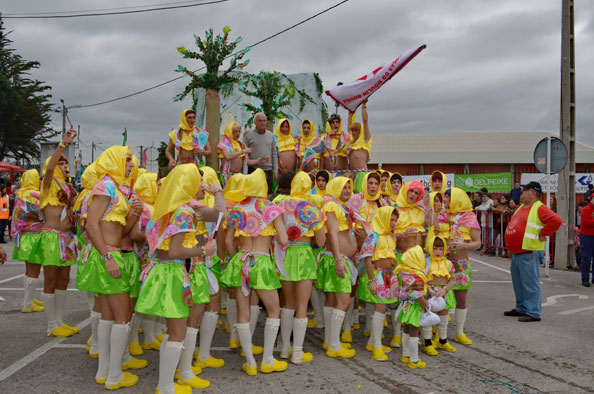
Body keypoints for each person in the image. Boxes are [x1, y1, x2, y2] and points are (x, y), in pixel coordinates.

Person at [136, 164, 216, 393]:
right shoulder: (183, 211)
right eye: (196, 180)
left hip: (162, 270)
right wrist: (204, 251)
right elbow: (175, 251)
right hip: (172, 271)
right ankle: (167, 386)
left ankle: (167, 383)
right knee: (178, 333)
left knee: (173, 332)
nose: (201, 185)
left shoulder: (165, 207)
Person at [76, 146, 143, 389]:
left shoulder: (114, 188)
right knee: (123, 316)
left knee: (108, 315)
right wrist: (107, 258)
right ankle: (115, 375)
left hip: (111, 254)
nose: (129, 165)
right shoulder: (106, 186)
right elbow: (91, 225)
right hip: (108, 257)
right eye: (126, 160)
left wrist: (134, 213)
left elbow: (120, 231)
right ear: (114, 160)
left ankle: (104, 372)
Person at [220, 169, 289, 376]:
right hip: (262, 261)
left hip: (241, 260)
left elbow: (227, 241)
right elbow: (284, 240)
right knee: (274, 310)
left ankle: (250, 362)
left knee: (243, 312)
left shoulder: (238, 209)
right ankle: (267, 360)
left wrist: (237, 256)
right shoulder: (271, 208)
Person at [30, 127, 78, 338]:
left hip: (67, 238)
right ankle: (51, 324)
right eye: (61, 163)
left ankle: (59, 320)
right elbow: (49, 168)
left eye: (66, 163)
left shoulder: (67, 187)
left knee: (64, 279)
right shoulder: (47, 183)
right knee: (50, 279)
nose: (64, 166)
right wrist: (63, 144)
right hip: (52, 237)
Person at [276, 171, 325, 365]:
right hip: (304, 255)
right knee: (302, 306)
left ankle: (284, 349)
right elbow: (321, 241)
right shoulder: (313, 208)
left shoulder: (281, 205)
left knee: (287, 303)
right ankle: (297, 352)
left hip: (285, 255)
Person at [318, 177, 365, 359]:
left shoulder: (340, 206)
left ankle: (330, 341)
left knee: (331, 300)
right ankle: (335, 345)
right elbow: (333, 236)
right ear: (335, 188)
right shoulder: (331, 206)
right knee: (344, 301)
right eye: (343, 187)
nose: (347, 190)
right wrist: (338, 259)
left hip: (339, 258)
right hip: (337, 259)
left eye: (349, 187)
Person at [504, 181, 562, 322]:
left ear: (533, 193)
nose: (521, 193)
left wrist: (544, 233)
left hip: (529, 251)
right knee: (518, 283)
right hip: (518, 252)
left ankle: (533, 312)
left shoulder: (539, 208)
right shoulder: (522, 207)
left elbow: (557, 220)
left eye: (524, 190)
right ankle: (521, 308)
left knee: (530, 283)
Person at [357, 206, 399, 361]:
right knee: (380, 309)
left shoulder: (392, 237)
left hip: (389, 277)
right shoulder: (373, 236)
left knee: (383, 310)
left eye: (395, 220)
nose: (393, 223)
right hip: (378, 276)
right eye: (391, 219)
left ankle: (372, 342)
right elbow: (368, 259)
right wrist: (372, 280)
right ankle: (377, 347)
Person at [442, 188, 481, 344]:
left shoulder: (470, 217)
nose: (445, 200)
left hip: (462, 264)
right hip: (444, 263)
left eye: (448, 198)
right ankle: (441, 333)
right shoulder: (442, 215)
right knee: (442, 298)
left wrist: (464, 245)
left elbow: (478, 243)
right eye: (444, 198)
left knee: (461, 299)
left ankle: (459, 331)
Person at [10, 169, 44, 312]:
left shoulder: (19, 193)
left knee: (28, 270)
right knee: (34, 270)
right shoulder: (36, 195)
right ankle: (29, 303)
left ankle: (27, 299)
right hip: (34, 235)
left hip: (22, 236)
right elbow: (43, 212)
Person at [422, 235, 457, 356]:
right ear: (430, 248)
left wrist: (445, 290)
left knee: (443, 317)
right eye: (435, 248)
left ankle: (442, 340)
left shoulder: (448, 263)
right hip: (429, 292)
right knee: (428, 317)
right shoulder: (426, 262)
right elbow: (422, 278)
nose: (438, 252)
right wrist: (430, 290)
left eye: (441, 249)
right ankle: (427, 343)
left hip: (443, 292)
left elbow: (453, 279)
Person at [395, 245, 429, 369]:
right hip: (414, 307)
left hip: (406, 305)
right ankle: (414, 360)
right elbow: (419, 297)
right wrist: (427, 306)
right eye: (424, 258)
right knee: (415, 331)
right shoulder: (418, 278)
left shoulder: (406, 273)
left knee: (406, 329)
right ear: (416, 260)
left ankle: (405, 354)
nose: (426, 260)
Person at [243, 112, 279, 196]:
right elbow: (244, 153)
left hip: (268, 170)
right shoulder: (248, 135)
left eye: (264, 121)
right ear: (255, 122)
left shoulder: (270, 135)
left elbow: (274, 153)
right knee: (253, 194)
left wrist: (276, 170)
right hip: (253, 170)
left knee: (268, 194)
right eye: (260, 121)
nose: (262, 123)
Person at [346, 100, 372, 171]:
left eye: (356, 130)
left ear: (360, 131)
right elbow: (349, 127)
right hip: (352, 173)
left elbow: (365, 121)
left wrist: (364, 106)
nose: (354, 132)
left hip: (362, 174)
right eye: (353, 130)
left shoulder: (365, 140)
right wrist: (349, 116)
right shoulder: (350, 142)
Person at [579, 195, 594, 287]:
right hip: (587, 236)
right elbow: (585, 222)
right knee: (586, 258)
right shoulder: (586, 209)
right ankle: (585, 278)